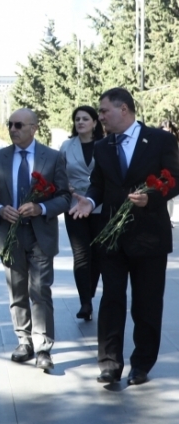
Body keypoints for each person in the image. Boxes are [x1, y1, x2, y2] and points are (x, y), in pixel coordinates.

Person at [70, 87, 179, 385]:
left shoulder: (160, 140)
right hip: (112, 237)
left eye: (104, 111)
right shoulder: (104, 146)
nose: (100, 117)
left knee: (146, 303)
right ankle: (109, 363)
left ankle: (142, 364)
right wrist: (90, 202)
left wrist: (154, 197)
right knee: (112, 299)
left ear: (124, 110)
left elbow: (176, 178)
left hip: (149, 238)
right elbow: (98, 184)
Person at [0, 108, 70, 372]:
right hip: (9, 235)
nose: (13, 129)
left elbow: (65, 197)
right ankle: (24, 340)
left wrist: (40, 208)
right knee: (17, 290)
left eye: (19, 125)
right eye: (10, 124)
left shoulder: (53, 158)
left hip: (40, 232)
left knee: (40, 290)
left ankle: (43, 347)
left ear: (34, 127)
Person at [59, 106, 105, 321]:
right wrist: (64, 186)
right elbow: (57, 173)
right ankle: (85, 302)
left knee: (97, 253)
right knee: (81, 254)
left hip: (101, 206)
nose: (80, 122)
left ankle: (89, 292)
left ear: (95, 123)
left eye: (85, 118)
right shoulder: (67, 146)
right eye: (77, 119)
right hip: (75, 206)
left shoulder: (105, 145)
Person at [160, 119, 179, 225]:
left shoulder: (174, 142)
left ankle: (169, 218)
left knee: (171, 198)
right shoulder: (156, 141)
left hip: (173, 172)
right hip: (161, 173)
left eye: (169, 131)